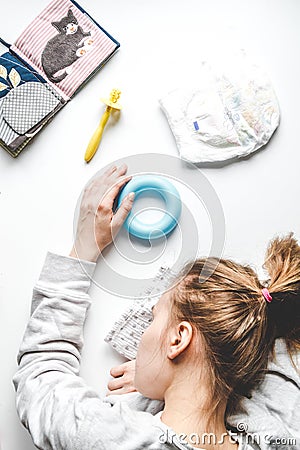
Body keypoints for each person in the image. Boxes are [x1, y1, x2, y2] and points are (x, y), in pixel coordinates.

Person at [13, 164, 300, 450]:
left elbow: (40, 377)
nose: (142, 335)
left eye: (152, 320)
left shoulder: (107, 438)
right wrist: (176, 380)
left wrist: (83, 247)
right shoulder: (278, 435)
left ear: (178, 340)